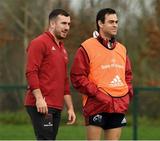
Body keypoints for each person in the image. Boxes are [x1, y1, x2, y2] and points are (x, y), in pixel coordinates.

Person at [70, 8, 133, 140]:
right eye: (111, 22)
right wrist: (97, 94)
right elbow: (77, 77)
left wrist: (127, 94)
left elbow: (127, 76)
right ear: (100, 23)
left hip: (118, 104)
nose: (115, 25)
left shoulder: (122, 49)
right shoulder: (86, 47)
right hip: (96, 104)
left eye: (116, 21)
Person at [24, 9, 76, 140]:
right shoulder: (39, 43)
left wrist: (70, 108)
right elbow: (31, 71)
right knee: (46, 139)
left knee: (50, 139)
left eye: (69, 24)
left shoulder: (62, 49)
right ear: (52, 24)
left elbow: (64, 81)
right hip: (42, 105)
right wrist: (39, 99)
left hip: (56, 106)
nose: (67, 27)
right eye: (63, 23)